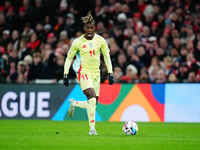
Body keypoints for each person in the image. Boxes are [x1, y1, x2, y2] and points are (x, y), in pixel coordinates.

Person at [63, 12, 114, 135]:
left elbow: (107, 57)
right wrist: (65, 74)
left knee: (94, 103)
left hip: (96, 74)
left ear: (94, 28)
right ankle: (92, 129)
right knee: (91, 96)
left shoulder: (101, 41)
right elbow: (69, 58)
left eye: (92, 27)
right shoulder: (77, 42)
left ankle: (75, 103)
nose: (90, 30)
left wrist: (110, 73)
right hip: (83, 72)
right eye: (87, 27)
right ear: (83, 28)